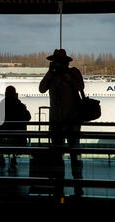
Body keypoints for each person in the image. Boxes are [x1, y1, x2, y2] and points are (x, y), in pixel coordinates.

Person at [39, 49, 84, 197]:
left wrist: (67, 77)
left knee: (74, 154)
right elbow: (41, 89)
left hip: (71, 121)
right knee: (58, 155)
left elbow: (80, 88)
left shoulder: (73, 73)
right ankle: (60, 184)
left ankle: (78, 184)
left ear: (66, 63)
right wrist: (50, 73)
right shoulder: (51, 76)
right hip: (57, 122)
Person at [0, 86, 31, 171]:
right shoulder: (21, 107)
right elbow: (28, 117)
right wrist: (18, 101)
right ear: (15, 94)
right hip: (19, 140)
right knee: (14, 138)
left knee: (4, 137)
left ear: (5, 94)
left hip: (0, 140)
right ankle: (13, 157)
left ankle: (1, 156)